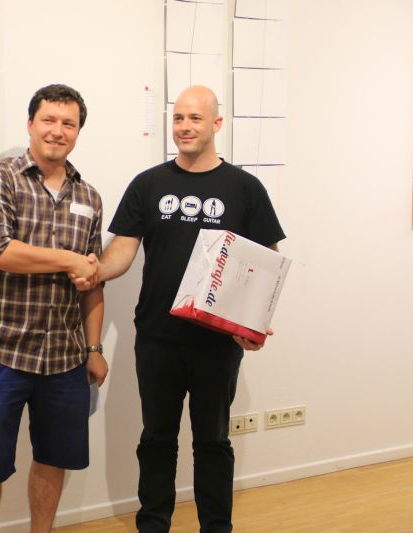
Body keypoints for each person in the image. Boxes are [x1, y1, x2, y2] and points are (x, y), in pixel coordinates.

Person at [76, 85, 286, 532]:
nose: (185, 127)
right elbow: (123, 251)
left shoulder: (245, 188)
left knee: (213, 442)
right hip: (157, 339)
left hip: (217, 343)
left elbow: (265, 263)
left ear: (216, 123)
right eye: (178, 118)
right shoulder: (149, 184)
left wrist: (253, 325)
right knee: (156, 439)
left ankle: (216, 527)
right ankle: (153, 525)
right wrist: (94, 271)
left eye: (195, 118)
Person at [0, 84, 108, 533]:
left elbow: (92, 282)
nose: (57, 131)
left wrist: (94, 348)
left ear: (78, 131)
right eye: (49, 120)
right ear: (30, 124)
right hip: (1, 350)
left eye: (68, 123)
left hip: (66, 356)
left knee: (53, 459)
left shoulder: (90, 197)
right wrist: (69, 260)